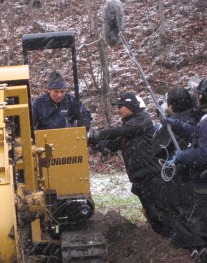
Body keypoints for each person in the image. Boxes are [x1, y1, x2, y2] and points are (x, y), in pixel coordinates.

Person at [88, 92, 171, 236]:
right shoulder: (130, 127)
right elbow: (116, 143)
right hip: (139, 178)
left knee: (159, 213)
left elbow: (120, 131)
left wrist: (98, 134)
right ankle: (160, 240)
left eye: (121, 106)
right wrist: (98, 144)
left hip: (150, 176)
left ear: (131, 106)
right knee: (151, 213)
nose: (118, 109)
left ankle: (170, 242)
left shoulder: (142, 120)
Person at [162, 78, 207, 261]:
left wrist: (182, 156)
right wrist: (177, 125)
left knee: (199, 222)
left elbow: (203, 154)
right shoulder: (203, 120)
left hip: (203, 183)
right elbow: (197, 135)